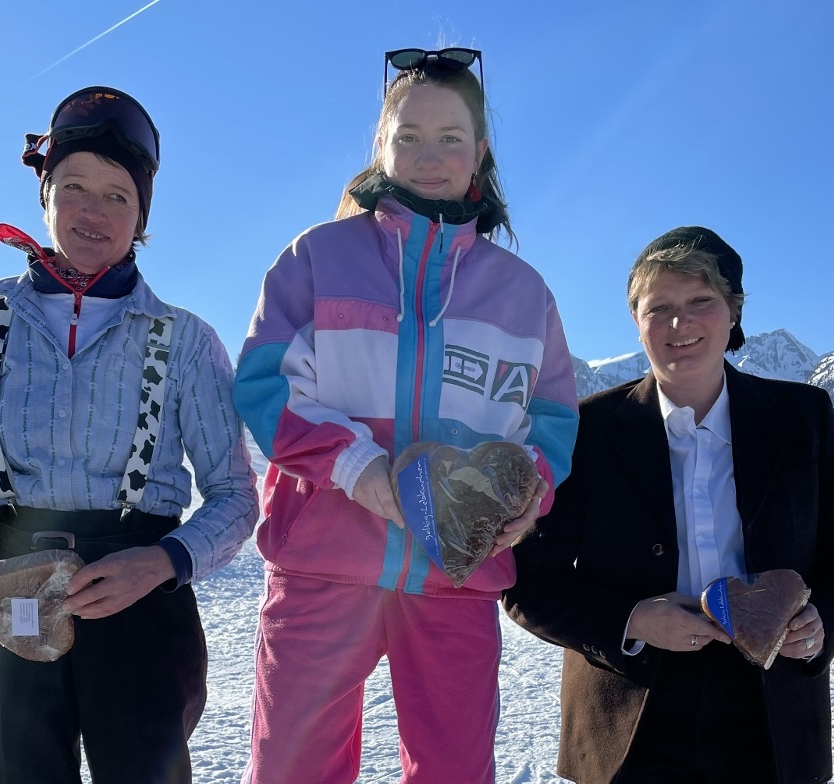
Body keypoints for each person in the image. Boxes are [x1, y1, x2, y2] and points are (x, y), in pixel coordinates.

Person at [232, 48, 579, 783]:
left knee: (453, 771)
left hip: (456, 577)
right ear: (381, 148)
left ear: (480, 154)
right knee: (293, 769)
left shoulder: (522, 294)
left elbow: (551, 421)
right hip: (325, 564)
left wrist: (527, 496)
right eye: (409, 136)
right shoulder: (318, 259)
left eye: (450, 137)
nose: (430, 155)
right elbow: (266, 388)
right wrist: (360, 469)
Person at [0, 86, 258, 784]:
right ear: (44, 196)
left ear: (142, 218)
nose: (93, 211)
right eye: (73, 186)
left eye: (117, 196)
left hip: (140, 597)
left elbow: (234, 496)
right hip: (10, 588)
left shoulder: (186, 341)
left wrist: (162, 562)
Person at [503, 226, 834, 784]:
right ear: (636, 322)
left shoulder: (801, 419)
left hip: (770, 714)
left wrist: (823, 621)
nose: (679, 324)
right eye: (658, 308)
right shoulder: (587, 431)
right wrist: (633, 620)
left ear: (733, 312)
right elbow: (527, 581)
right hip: (628, 714)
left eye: (700, 302)